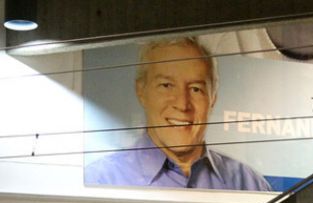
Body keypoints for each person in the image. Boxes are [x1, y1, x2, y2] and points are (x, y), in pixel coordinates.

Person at [84, 37, 273, 191]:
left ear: (213, 98)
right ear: (141, 91)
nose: (183, 104)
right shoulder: (100, 178)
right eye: (166, 86)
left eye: (196, 89)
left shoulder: (250, 184)